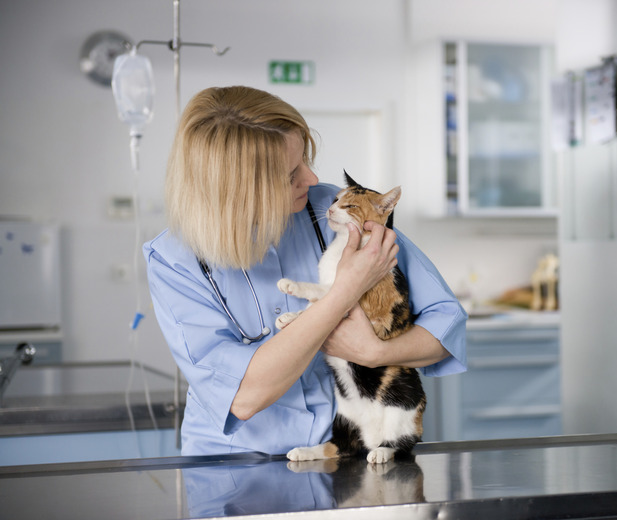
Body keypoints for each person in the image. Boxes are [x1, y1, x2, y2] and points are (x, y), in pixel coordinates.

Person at [144, 86, 467, 456]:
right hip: (235, 466)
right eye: (291, 174)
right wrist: (345, 291)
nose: (312, 179)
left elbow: (447, 326)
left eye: (306, 160)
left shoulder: (335, 210)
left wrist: (376, 352)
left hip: (344, 453)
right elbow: (243, 397)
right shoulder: (173, 260)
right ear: (240, 191)